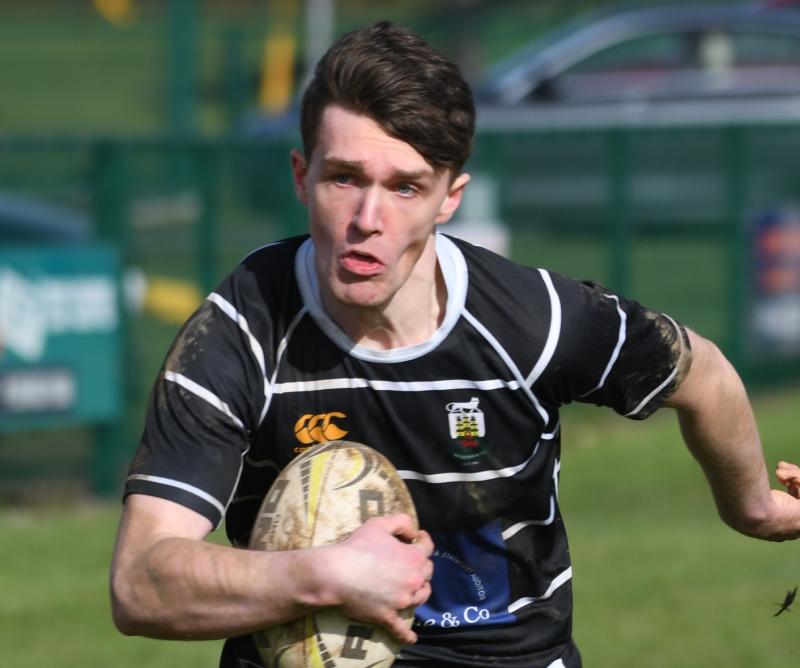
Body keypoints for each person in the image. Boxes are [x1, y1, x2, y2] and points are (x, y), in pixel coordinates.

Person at [110, 21, 800, 668]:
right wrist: (321, 574)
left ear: (450, 198)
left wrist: (756, 508)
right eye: (343, 178)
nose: (367, 220)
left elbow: (699, 372)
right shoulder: (240, 332)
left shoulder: (535, 322)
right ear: (301, 176)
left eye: (405, 187)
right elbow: (140, 582)